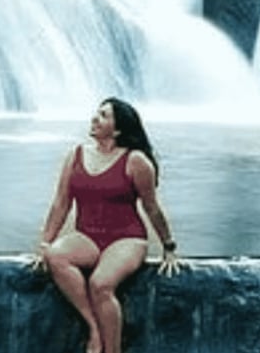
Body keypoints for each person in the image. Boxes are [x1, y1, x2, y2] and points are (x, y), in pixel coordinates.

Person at [32, 97, 180, 353]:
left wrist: (169, 246)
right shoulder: (75, 155)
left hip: (127, 238)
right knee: (55, 256)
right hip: (87, 236)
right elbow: (61, 204)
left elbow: (152, 208)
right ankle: (94, 329)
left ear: (118, 128)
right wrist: (45, 241)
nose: (94, 119)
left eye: (103, 116)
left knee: (100, 284)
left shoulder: (136, 161)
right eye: (96, 114)